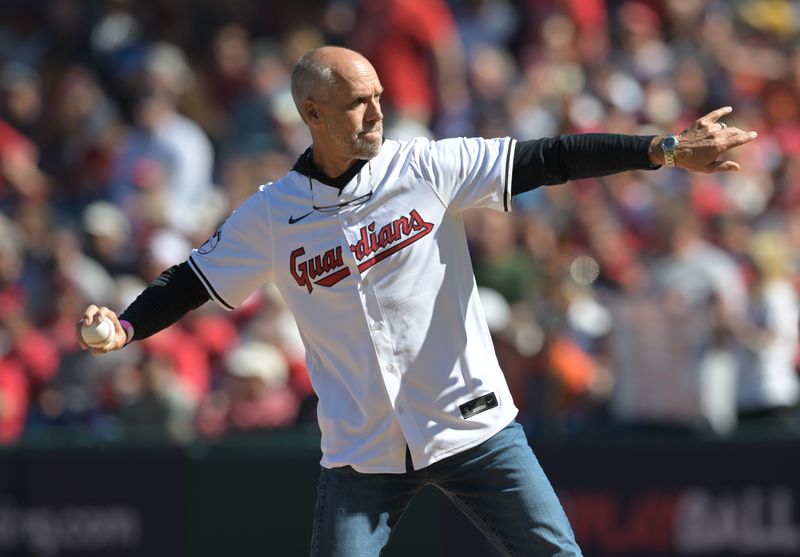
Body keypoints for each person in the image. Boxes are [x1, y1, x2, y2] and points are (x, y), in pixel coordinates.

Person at [77, 46, 757, 556]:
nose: (376, 111)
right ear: (313, 113)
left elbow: (549, 156)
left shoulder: (425, 167)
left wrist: (662, 150)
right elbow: (191, 280)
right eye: (356, 102)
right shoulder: (273, 214)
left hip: (473, 425)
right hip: (362, 449)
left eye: (377, 95)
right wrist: (128, 324)